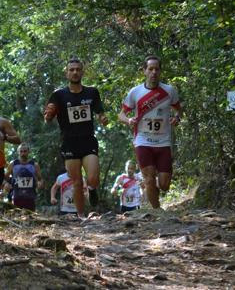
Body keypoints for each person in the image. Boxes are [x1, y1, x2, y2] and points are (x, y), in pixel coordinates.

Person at [44, 58, 108, 219]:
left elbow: (100, 112)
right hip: (69, 142)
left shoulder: (92, 92)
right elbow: (48, 117)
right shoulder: (58, 94)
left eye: (78, 69)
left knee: (92, 177)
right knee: (77, 183)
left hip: (88, 140)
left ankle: (92, 189)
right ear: (66, 73)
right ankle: (80, 216)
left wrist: (103, 119)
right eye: (71, 69)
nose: (75, 72)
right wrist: (49, 115)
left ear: (82, 72)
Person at [118, 55, 182, 209]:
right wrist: (129, 120)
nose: (154, 72)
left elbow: (179, 110)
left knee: (165, 184)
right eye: (150, 69)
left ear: (160, 71)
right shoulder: (135, 92)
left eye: (156, 69)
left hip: (163, 141)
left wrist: (177, 118)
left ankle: (156, 196)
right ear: (144, 71)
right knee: (149, 178)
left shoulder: (169, 91)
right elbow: (121, 114)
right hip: (143, 141)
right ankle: (157, 210)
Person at [4, 142, 44, 211]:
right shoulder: (13, 164)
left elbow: (40, 179)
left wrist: (40, 183)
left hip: (30, 197)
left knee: (30, 217)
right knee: (16, 216)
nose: (23, 153)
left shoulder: (34, 165)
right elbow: (5, 178)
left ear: (28, 152)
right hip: (16, 196)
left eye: (25, 151)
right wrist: (6, 184)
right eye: (21, 151)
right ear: (18, 152)